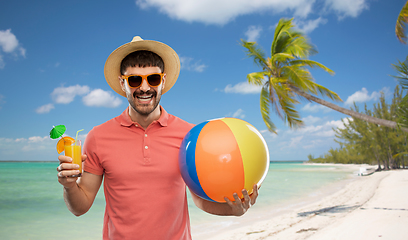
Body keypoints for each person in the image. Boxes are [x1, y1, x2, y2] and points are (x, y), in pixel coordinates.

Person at [56, 36, 259, 239]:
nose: (144, 88)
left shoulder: (189, 136)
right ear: (122, 83)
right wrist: (69, 186)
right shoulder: (98, 137)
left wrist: (233, 210)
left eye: (152, 79)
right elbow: (80, 207)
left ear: (163, 81)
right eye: (134, 80)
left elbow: (199, 200)